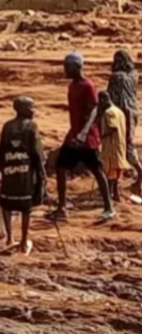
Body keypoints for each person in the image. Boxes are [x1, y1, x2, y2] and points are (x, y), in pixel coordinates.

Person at [49, 52, 115, 223]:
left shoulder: (88, 86)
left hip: (87, 138)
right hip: (74, 135)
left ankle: (109, 208)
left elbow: (94, 110)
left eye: (67, 66)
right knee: (60, 167)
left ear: (77, 67)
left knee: (97, 170)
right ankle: (62, 208)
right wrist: (75, 133)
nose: (65, 69)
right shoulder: (72, 86)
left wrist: (84, 132)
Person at [0, 96, 45, 255]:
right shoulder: (31, 126)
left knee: (7, 204)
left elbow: (0, 151)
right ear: (21, 109)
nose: (33, 111)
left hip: (9, 170)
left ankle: (10, 238)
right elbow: (37, 152)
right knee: (26, 207)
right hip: (25, 172)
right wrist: (42, 173)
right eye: (31, 107)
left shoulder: (7, 126)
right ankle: (23, 241)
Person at [107, 50, 142, 193]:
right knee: (127, 144)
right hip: (133, 113)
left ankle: (117, 185)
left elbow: (113, 98)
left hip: (120, 115)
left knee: (119, 147)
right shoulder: (133, 75)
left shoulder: (117, 77)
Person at [99, 92, 130, 203]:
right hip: (119, 144)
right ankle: (116, 194)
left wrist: (101, 136)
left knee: (109, 172)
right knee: (116, 171)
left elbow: (113, 127)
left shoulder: (109, 112)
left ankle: (109, 195)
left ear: (103, 100)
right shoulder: (119, 111)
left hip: (111, 146)